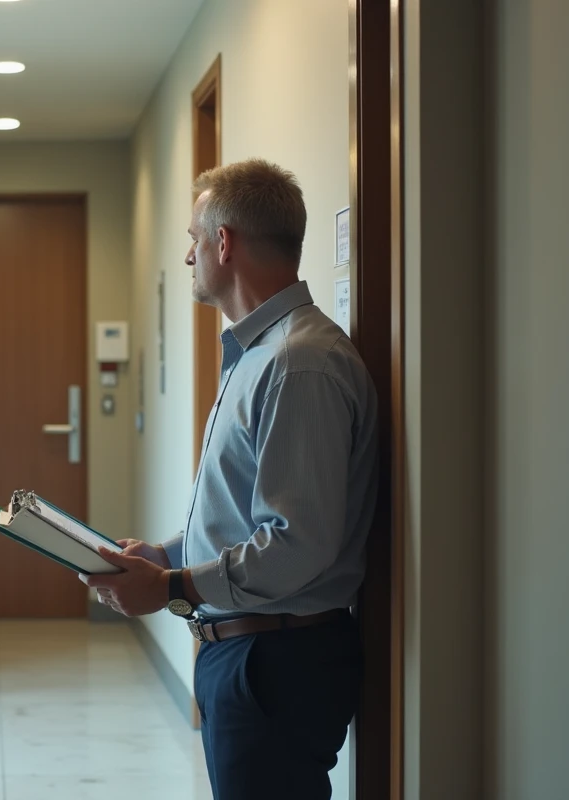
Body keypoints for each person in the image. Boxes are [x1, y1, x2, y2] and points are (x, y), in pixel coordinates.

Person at [82, 159, 378, 799]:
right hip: (250, 650)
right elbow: (245, 516)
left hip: (277, 663)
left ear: (225, 242)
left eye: (194, 238)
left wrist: (171, 585)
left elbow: (296, 542)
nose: (188, 257)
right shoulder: (257, 354)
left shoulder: (299, 363)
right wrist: (164, 556)